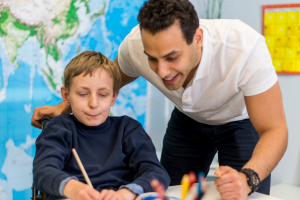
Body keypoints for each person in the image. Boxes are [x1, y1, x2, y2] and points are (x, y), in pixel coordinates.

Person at [31, 0, 288, 199]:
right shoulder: (135, 46)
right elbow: (102, 83)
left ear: (197, 39)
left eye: (172, 57)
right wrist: (63, 108)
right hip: (187, 121)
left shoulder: (244, 49)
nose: (162, 72)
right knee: (168, 192)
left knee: (239, 193)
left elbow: (275, 130)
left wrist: (248, 178)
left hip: (239, 122)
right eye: (152, 59)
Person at [33, 51, 170, 200]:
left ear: (113, 97)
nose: (93, 104)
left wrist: (126, 193)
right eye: (83, 94)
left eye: (103, 95)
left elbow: (156, 173)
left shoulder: (128, 129)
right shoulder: (59, 128)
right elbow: (43, 170)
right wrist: (72, 188)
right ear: (66, 96)